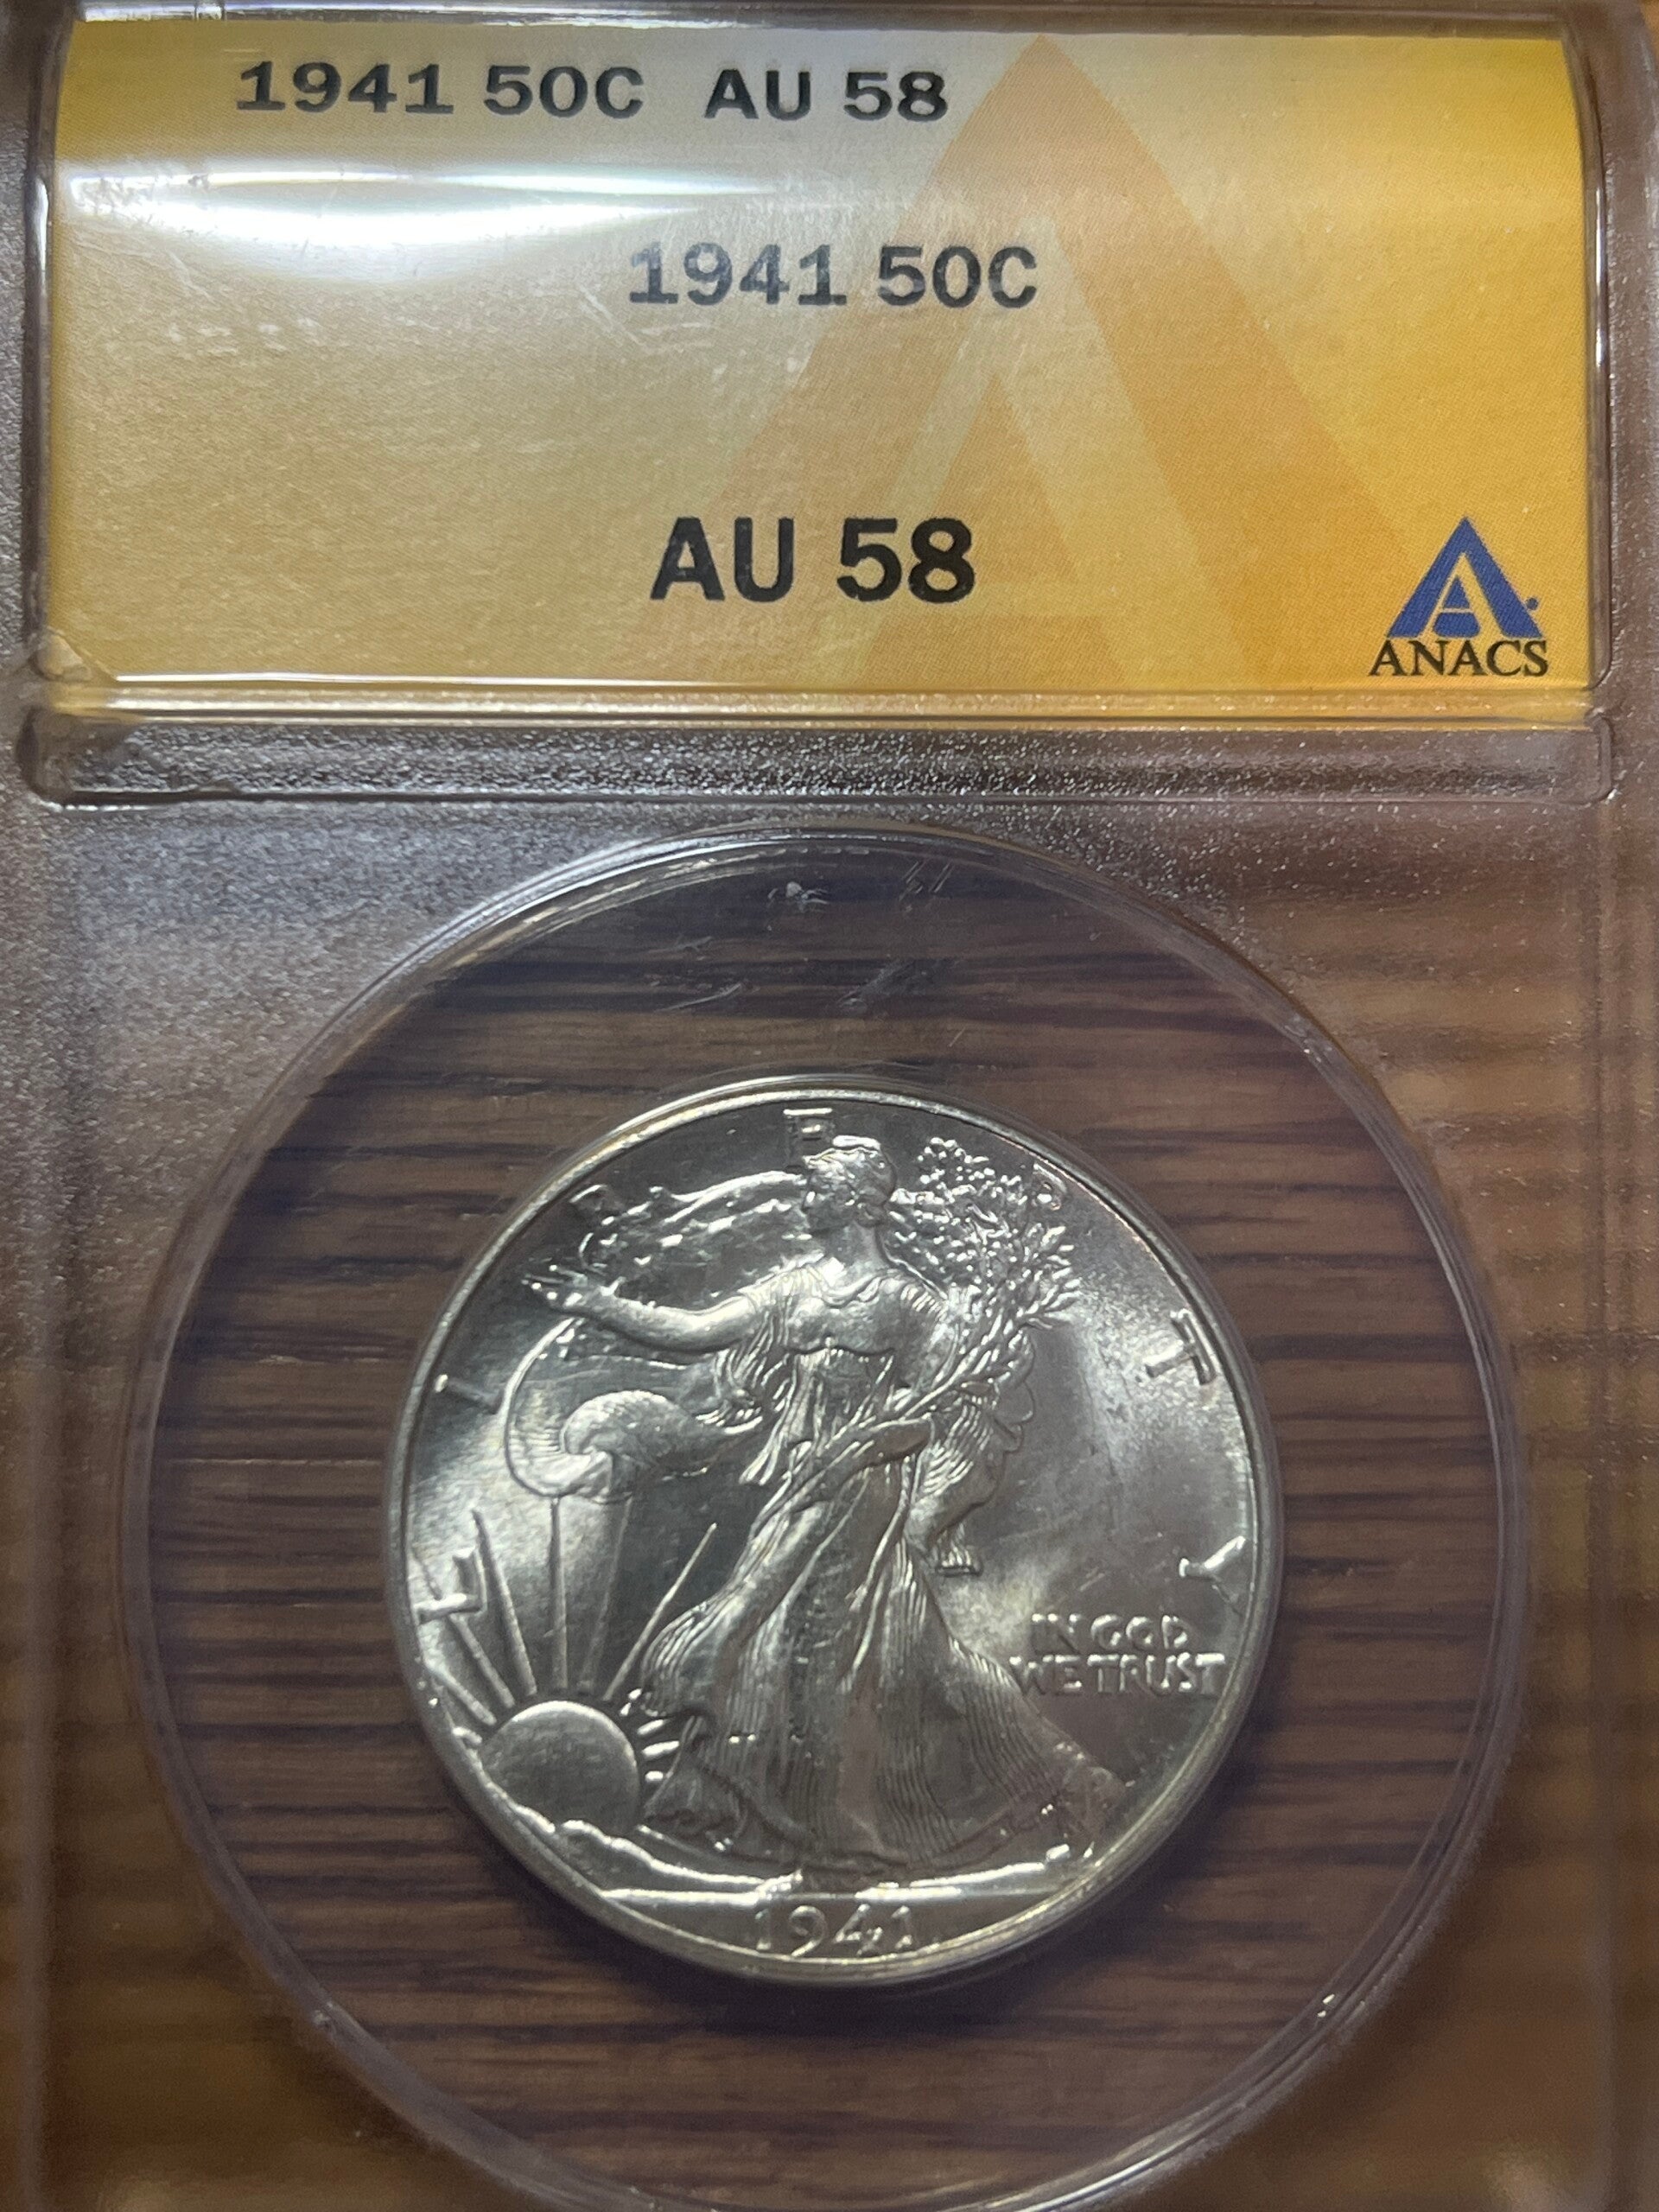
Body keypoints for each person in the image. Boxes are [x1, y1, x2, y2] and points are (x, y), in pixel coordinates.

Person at [533, 1135, 1118, 1878]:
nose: (803, 1200)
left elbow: (937, 1417)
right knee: (898, 1655)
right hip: (799, 1486)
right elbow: (696, 1332)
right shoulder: (792, 1290)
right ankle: (1064, 1779)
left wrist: (869, 1446)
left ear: (854, 1202)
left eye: (816, 1189)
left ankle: (838, 1832)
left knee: (816, 1653)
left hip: (860, 1495)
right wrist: (599, 1305)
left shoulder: (910, 1304)